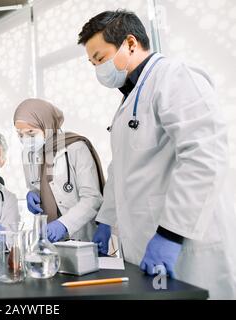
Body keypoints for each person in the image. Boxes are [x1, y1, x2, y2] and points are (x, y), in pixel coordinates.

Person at [78, 9, 236, 298]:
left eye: (100, 58)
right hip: (145, 243)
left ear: (129, 43)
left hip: (187, 246)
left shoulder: (174, 77)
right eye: (92, 63)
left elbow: (204, 155)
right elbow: (120, 173)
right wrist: (105, 220)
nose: (97, 69)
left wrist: (170, 234)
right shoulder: (130, 100)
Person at [13, 98, 105, 243]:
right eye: (20, 134)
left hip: (81, 236)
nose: (26, 140)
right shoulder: (28, 154)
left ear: (46, 124)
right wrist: (33, 193)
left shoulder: (76, 148)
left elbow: (92, 198)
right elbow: (38, 186)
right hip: (49, 238)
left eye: (31, 133)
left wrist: (64, 224)